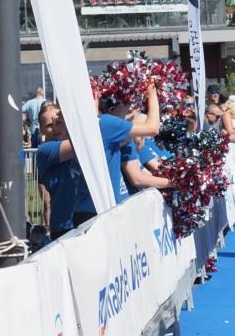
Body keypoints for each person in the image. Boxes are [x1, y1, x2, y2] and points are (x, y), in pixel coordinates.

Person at [36, 82, 160, 234]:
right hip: (64, 227)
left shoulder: (98, 131)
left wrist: (131, 94)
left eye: (59, 122)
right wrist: (149, 96)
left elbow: (109, 135)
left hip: (91, 218)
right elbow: (94, 137)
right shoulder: (45, 151)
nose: (55, 128)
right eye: (49, 125)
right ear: (41, 129)